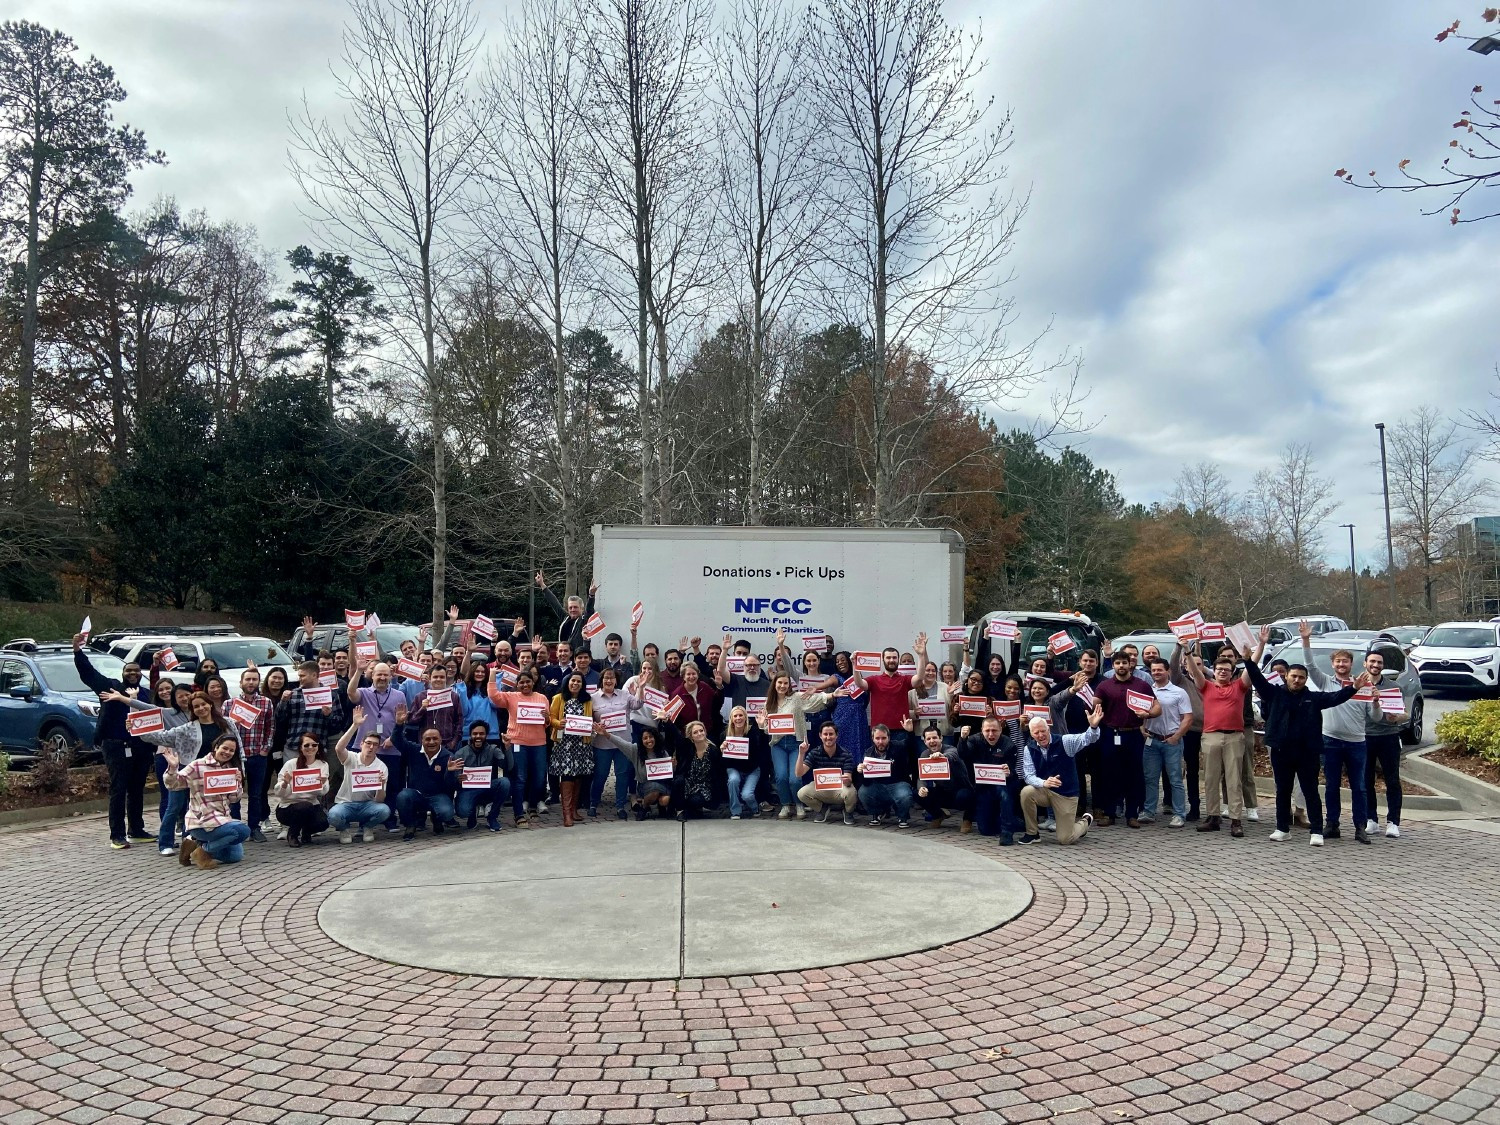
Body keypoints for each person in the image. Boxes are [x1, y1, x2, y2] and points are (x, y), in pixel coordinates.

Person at [1246, 627, 1359, 847]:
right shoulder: (1275, 694)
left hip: (1307, 752)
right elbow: (1256, 678)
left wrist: (1354, 687)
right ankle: (1282, 828)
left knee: (1310, 791)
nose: (1297, 680)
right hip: (1281, 750)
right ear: (1286, 677)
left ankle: (1316, 830)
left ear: (1306, 680)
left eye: (1301, 677)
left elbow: (1336, 697)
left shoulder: (1314, 698)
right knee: (1282, 790)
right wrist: (1248, 659)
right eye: (1293, 677)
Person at [113, 689, 241, 856]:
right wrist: (137, 729)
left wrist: (240, 770)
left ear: (210, 704)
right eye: (196, 706)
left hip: (219, 774)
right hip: (190, 771)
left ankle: (197, 844)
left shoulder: (227, 723)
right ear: (192, 710)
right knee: (174, 806)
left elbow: (237, 747)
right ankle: (165, 843)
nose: (201, 708)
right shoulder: (187, 728)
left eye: (203, 704)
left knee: (213, 809)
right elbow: (161, 737)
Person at [72, 633, 154, 850]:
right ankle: (117, 835)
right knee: (119, 789)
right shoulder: (110, 688)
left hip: (141, 747)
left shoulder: (147, 694)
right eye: (129, 671)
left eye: (136, 671)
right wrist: (77, 651)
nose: (133, 674)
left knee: (137, 788)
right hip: (116, 746)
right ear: (123, 673)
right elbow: (88, 674)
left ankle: (136, 830)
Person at [1299, 622, 1380, 844]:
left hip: (1357, 743)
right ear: (1333, 664)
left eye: (1345, 661)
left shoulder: (1362, 685)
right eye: (1338, 661)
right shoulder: (1325, 682)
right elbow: (1310, 665)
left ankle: (1360, 827)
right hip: (1330, 741)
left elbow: (1375, 718)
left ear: (1351, 664)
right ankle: (1332, 824)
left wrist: (1375, 702)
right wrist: (1306, 640)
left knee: (1359, 787)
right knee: (1332, 785)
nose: (1341, 664)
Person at [1187, 645, 1252, 838]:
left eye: (1226, 670)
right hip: (1211, 736)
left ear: (1232, 673)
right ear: (1213, 672)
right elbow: (1194, 671)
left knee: (1234, 780)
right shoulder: (1206, 685)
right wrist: (1187, 652)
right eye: (1219, 669)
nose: (1223, 672)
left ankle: (1236, 820)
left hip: (1234, 736)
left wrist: (1259, 647)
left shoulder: (1239, 686)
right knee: (1210, 778)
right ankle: (1213, 817)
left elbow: (1251, 668)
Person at [1018, 704, 1104, 845]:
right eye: (1036, 733)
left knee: (1065, 839)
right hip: (1045, 791)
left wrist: (1093, 727)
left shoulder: (1065, 741)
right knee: (1026, 792)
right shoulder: (1029, 749)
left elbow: (1087, 739)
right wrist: (1043, 783)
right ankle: (1032, 833)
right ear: (1031, 734)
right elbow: (1028, 776)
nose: (1040, 735)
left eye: (1043, 731)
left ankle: (1084, 822)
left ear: (1048, 729)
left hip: (1066, 793)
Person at [162, 735, 252, 869]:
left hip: (222, 820)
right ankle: (203, 850)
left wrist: (238, 783)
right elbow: (174, 784)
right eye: (224, 748)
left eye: (231, 751)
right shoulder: (198, 765)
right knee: (242, 831)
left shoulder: (230, 768)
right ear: (216, 747)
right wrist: (173, 768)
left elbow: (234, 798)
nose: (227, 752)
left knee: (234, 857)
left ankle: (195, 845)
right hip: (202, 822)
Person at [1093, 651, 1161, 827]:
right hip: (1110, 734)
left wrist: (1148, 713)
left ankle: (1132, 814)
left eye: (1124, 663)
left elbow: (1157, 708)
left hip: (1133, 734)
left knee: (1134, 775)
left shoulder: (1142, 685)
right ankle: (1109, 813)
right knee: (1109, 774)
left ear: (1130, 664)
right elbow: (1094, 704)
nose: (1121, 666)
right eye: (1117, 663)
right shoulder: (1105, 685)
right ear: (1113, 665)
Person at [762, 669, 836, 819]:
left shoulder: (796, 698)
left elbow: (815, 699)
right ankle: (785, 805)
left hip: (796, 743)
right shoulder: (768, 703)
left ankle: (799, 804)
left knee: (795, 778)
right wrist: (762, 724)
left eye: (785, 683)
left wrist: (833, 694)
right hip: (778, 744)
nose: (782, 686)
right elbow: (767, 728)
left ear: (789, 685)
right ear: (774, 684)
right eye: (780, 683)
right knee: (781, 777)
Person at [488, 668, 553, 824]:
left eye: (528, 681)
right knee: (520, 779)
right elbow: (494, 696)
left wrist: (546, 717)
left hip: (539, 744)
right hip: (518, 743)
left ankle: (532, 805)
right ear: (516, 684)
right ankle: (519, 813)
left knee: (539, 778)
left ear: (533, 682)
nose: (525, 684)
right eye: (521, 682)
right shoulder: (511, 697)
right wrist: (492, 674)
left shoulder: (542, 698)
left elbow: (547, 723)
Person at [851, 634, 930, 761]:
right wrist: (855, 666)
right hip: (879, 731)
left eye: (894, 657)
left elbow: (919, 678)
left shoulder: (904, 679)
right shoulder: (874, 679)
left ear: (898, 660)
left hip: (901, 730)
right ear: (883, 660)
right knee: (880, 762)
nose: (891, 660)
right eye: (888, 658)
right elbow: (860, 684)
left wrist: (921, 655)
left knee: (900, 763)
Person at [1141, 657, 1192, 827]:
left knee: (1175, 779)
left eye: (1159, 670)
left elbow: (1188, 718)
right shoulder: (1146, 691)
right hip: (1152, 741)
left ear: (1168, 671)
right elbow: (1140, 712)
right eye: (1153, 670)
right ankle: (1149, 811)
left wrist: (1177, 736)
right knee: (1150, 778)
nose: (1156, 673)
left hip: (1172, 741)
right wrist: (1142, 728)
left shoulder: (1179, 692)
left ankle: (1179, 814)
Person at [328, 709, 393, 842]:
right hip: (346, 803)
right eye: (368, 743)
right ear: (361, 744)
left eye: (375, 744)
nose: (371, 747)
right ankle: (344, 829)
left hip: (367, 805)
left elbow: (380, 800)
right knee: (333, 815)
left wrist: (380, 786)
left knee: (384, 810)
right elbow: (338, 748)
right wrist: (355, 725)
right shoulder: (351, 758)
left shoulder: (381, 767)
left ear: (378, 747)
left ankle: (367, 827)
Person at [1363, 657, 1408, 839]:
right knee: (1365, 781)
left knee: (1392, 781)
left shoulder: (1393, 687)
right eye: (1372, 662)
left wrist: (1396, 718)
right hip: (1364, 737)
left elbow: (1405, 713)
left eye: (1379, 663)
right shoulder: (1358, 684)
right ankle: (1371, 820)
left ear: (1383, 666)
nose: (1375, 665)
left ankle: (1393, 822)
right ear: (1365, 663)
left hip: (1388, 737)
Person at [955, 715, 1019, 844]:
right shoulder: (974, 740)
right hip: (983, 786)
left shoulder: (1009, 745)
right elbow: (963, 754)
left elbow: (1012, 770)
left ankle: (1007, 832)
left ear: (1001, 730)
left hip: (1003, 785)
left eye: (994, 730)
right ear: (981, 730)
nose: (991, 734)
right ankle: (1015, 822)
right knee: (986, 830)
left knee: (1005, 795)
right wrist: (962, 739)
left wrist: (1009, 771)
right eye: (987, 730)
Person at [230, 666, 276, 842]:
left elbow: (270, 727)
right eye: (247, 679)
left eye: (254, 679)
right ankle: (235, 827)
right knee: (234, 793)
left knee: (256, 794)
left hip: (258, 754)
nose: (251, 682)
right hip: (236, 756)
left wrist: (267, 747)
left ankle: (254, 827)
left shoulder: (266, 702)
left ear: (258, 682)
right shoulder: (230, 704)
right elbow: (225, 730)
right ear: (241, 682)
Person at [390, 722, 457, 840]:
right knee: (402, 797)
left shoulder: (449, 757)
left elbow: (451, 786)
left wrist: (450, 772)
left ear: (441, 740)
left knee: (446, 812)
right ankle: (410, 825)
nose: (431, 742)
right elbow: (396, 739)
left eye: (435, 738)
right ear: (422, 740)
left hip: (438, 796)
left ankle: (437, 819)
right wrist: (399, 724)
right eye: (428, 739)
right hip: (416, 794)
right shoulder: (413, 750)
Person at [587, 667, 639, 819]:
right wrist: (594, 727)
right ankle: (593, 804)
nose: (609, 681)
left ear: (616, 680)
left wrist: (640, 687)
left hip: (622, 744)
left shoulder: (625, 695)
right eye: (606, 678)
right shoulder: (593, 698)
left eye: (612, 678)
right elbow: (588, 719)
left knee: (622, 775)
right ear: (601, 680)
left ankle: (620, 806)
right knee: (600, 775)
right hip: (602, 745)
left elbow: (638, 704)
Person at [548, 671, 596, 826]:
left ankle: (574, 809)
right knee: (567, 776)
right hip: (564, 744)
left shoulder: (587, 701)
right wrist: (557, 723)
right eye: (573, 681)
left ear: (583, 685)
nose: (575, 684)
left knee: (579, 776)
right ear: (567, 682)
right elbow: (550, 717)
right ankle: (566, 813)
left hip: (582, 744)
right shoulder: (558, 698)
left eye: (579, 682)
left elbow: (590, 719)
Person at [452, 720, 513, 832]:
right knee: (462, 811)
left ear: (486, 735)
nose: (478, 736)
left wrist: (507, 748)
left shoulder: (493, 749)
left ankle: (492, 816)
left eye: (481, 734)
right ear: (470, 735)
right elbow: (454, 781)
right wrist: (458, 779)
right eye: (475, 734)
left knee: (505, 783)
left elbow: (508, 767)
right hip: (468, 791)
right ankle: (471, 814)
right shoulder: (460, 753)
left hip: (488, 787)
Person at [273, 732, 331, 846]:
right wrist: (285, 783)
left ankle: (306, 832)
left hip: (311, 804)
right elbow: (279, 793)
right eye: (306, 745)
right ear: (300, 748)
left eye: (314, 745)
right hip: (288, 807)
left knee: (323, 822)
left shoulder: (323, 765)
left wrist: (323, 784)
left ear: (318, 747)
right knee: (304, 806)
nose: (310, 748)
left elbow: (323, 791)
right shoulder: (291, 764)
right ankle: (292, 834)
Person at [794, 721, 858, 824]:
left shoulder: (846, 754)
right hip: (821, 789)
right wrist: (801, 754)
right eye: (825, 734)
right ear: (820, 735)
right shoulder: (815, 753)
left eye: (831, 734)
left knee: (851, 792)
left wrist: (846, 780)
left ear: (836, 735)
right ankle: (822, 809)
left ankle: (848, 811)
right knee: (802, 793)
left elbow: (848, 779)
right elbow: (798, 773)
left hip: (839, 789)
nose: (828, 737)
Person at [912, 724, 971, 828]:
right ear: (925, 742)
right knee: (917, 794)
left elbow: (953, 755)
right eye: (928, 739)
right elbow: (922, 777)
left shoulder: (951, 749)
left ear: (941, 738)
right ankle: (938, 815)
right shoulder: (924, 754)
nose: (932, 741)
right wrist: (921, 787)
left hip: (961, 789)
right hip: (943, 791)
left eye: (935, 737)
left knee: (965, 796)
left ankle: (967, 819)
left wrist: (942, 757)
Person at [858, 724, 914, 827]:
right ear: (872, 739)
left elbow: (910, 746)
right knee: (863, 792)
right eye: (877, 738)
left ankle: (902, 816)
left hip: (898, 783)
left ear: (889, 737)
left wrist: (910, 732)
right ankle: (877, 813)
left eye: (883, 738)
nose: (880, 742)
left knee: (905, 795)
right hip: (878, 785)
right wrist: (861, 772)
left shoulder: (898, 747)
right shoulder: (868, 753)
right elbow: (866, 783)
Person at [720, 705, 769, 820]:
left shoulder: (753, 732)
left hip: (752, 769)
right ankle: (735, 811)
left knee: (747, 795)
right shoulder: (725, 735)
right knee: (733, 780)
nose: (738, 718)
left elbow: (763, 748)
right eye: (735, 716)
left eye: (741, 715)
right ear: (731, 719)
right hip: (734, 768)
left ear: (746, 717)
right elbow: (724, 762)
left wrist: (762, 728)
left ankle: (754, 808)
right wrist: (722, 750)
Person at [535, 571, 599, 653]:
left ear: (581, 609)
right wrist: (542, 585)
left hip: (577, 657)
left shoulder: (584, 620)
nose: (573, 610)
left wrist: (591, 595)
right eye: (570, 607)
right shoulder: (565, 618)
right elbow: (554, 603)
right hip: (563, 654)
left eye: (575, 607)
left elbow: (589, 609)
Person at [634, 726, 676, 818]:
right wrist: (605, 733)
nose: (649, 740)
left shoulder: (663, 752)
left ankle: (661, 807)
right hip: (645, 785)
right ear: (641, 740)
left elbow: (670, 773)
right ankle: (644, 807)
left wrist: (673, 766)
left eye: (651, 737)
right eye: (645, 738)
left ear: (655, 738)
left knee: (665, 800)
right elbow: (621, 743)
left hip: (663, 784)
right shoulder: (636, 752)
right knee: (655, 790)